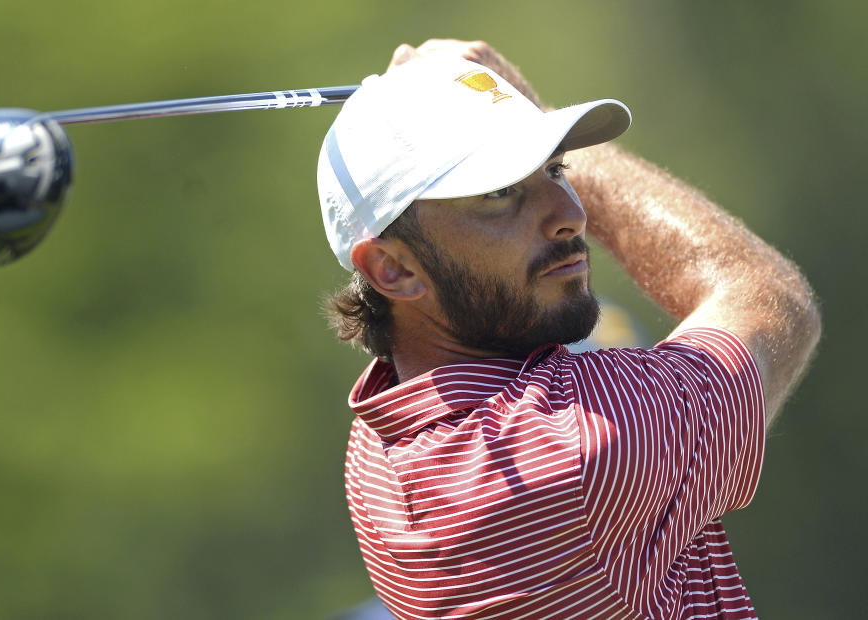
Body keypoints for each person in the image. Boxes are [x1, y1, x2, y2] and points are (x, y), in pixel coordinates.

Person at [318, 39, 821, 620]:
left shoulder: (378, 448)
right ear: (393, 268)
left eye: (556, 169)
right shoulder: (581, 443)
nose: (571, 213)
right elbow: (767, 295)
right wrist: (522, 95)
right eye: (498, 193)